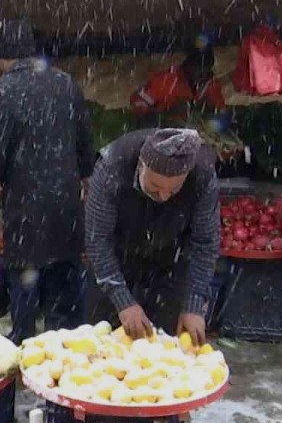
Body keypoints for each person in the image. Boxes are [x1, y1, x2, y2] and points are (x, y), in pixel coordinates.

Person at [0, 19, 95, 423]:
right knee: (68, 326)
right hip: (67, 222)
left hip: (26, 226)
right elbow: (87, 153)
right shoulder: (66, 84)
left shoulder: (4, 92)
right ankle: (68, 418)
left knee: (20, 328)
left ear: (4, 59)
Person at [85, 128, 220, 346]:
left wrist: (194, 304)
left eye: (174, 189)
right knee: (105, 340)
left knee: (164, 343)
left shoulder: (202, 174)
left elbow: (205, 243)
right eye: (155, 186)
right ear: (141, 165)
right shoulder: (112, 167)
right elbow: (97, 240)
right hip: (117, 254)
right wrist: (123, 300)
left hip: (171, 257)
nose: (164, 196)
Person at [129, 42, 226, 125]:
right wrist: (159, 116)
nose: (202, 74)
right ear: (188, 65)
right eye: (199, 68)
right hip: (163, 131)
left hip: (194, 135)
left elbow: (220, 111)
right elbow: (137, 99)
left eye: (206, 69)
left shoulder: (210, 85)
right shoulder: (167, 80)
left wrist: (210, 114)